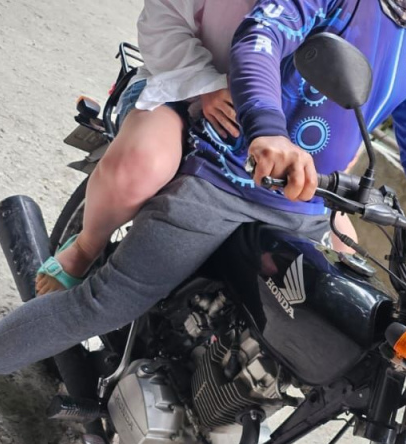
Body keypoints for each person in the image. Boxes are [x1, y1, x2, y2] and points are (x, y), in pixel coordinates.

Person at [0, 0, 406, 444]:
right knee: (105, 303)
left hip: (306, 204)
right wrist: (267, 128)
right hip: (230, 171)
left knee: (314, 344)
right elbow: (260, 36)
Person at [34, 0, 359, 295]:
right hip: (183, 90)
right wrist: (205, 83)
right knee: (144, 165)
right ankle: (85, 247)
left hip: (284, 142)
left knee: (345, 255)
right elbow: (162, 18)